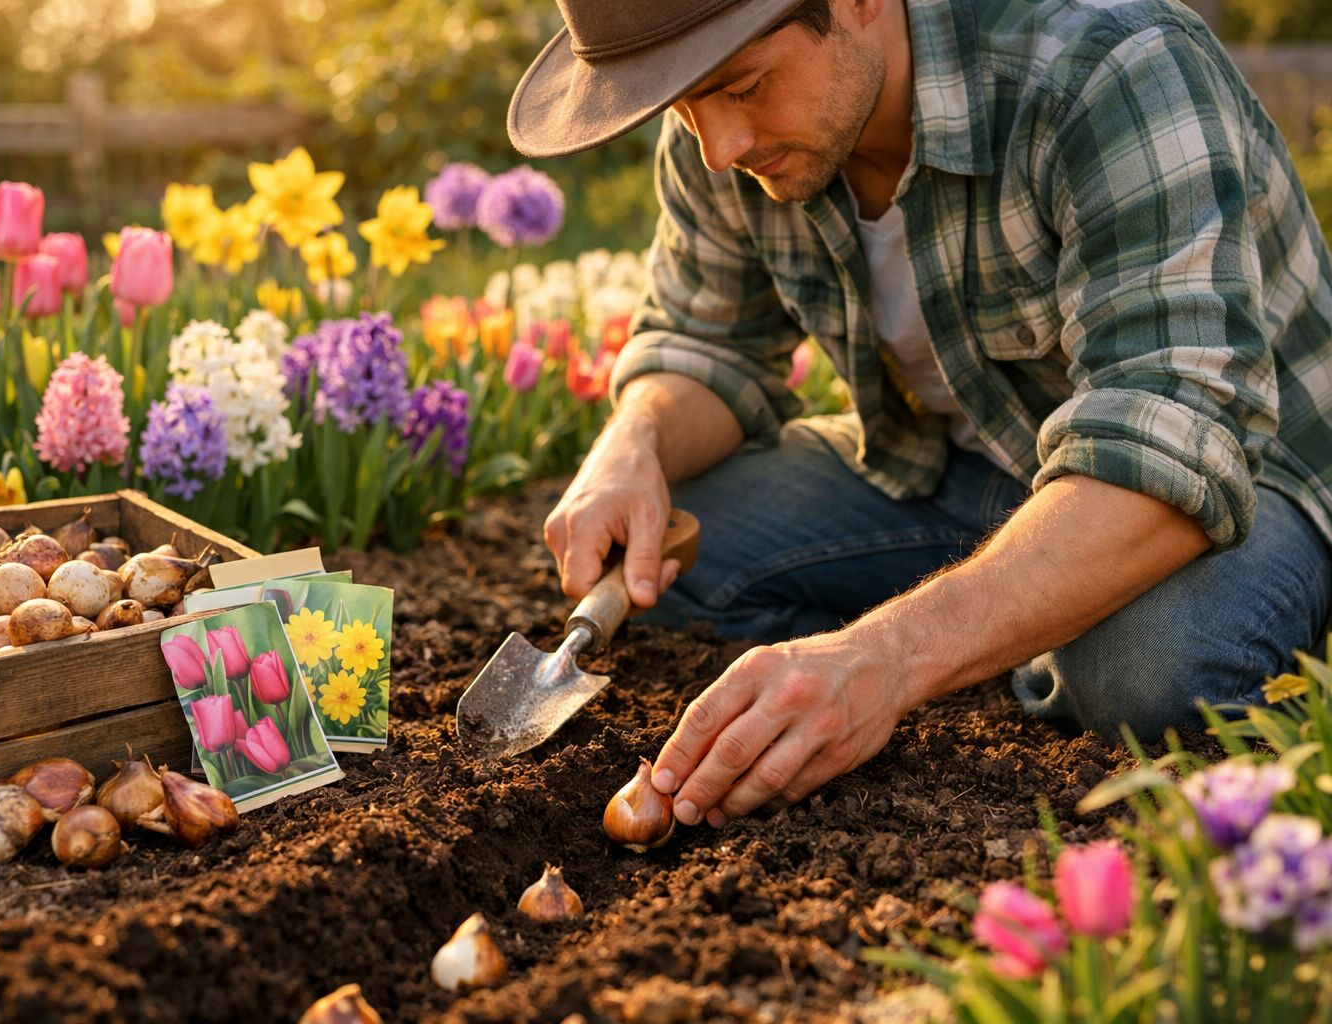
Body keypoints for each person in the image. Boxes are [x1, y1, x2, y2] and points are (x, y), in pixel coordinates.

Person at [506, 0, 1332, 830]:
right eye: (686, 113)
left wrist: (889, 657)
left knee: (1148, 676)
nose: (719, 149)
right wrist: (634, 438)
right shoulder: (725, 130)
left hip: (1247, 483)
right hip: (977, 473)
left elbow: (1172, 440)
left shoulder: (1112, 67)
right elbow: (707, 342)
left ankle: (1007, 632)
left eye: (746, 88)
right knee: (669, 552)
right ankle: (1004, 619)